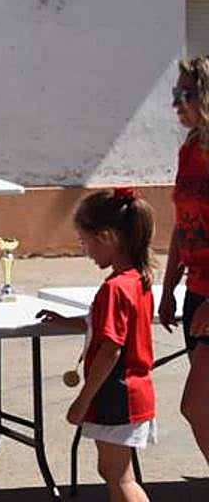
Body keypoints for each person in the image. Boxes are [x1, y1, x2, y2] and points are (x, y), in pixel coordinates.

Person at [37, 190, 157, 502]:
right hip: (132, 392)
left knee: (119, 477)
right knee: (115, 472)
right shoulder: (136, 280)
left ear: (106, 237)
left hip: (116, 395)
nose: (85, 250)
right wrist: (67, 321)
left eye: (84, 240)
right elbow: (104, 324)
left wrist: (83, 399)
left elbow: (110, 348)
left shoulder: (115, 289)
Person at [160, 55, 209, 463]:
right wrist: (168, 288)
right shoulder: (189, 149)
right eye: (175, 94)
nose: (177, 103)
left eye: (185, 94)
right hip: (195, 290)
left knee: (196, 406)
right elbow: (181, 225)